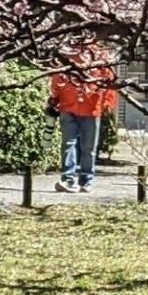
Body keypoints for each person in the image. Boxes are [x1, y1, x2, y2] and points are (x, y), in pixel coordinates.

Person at [49, 46, 117, 194]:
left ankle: (86, 180)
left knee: (88, 147)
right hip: (68, 105)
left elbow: (109, 82)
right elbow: (57, 77)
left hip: (91, 107)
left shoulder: (100, 56)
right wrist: (55, 97)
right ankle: (68, 179)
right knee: (68, 144)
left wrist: (107, 104)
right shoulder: (66, 52)